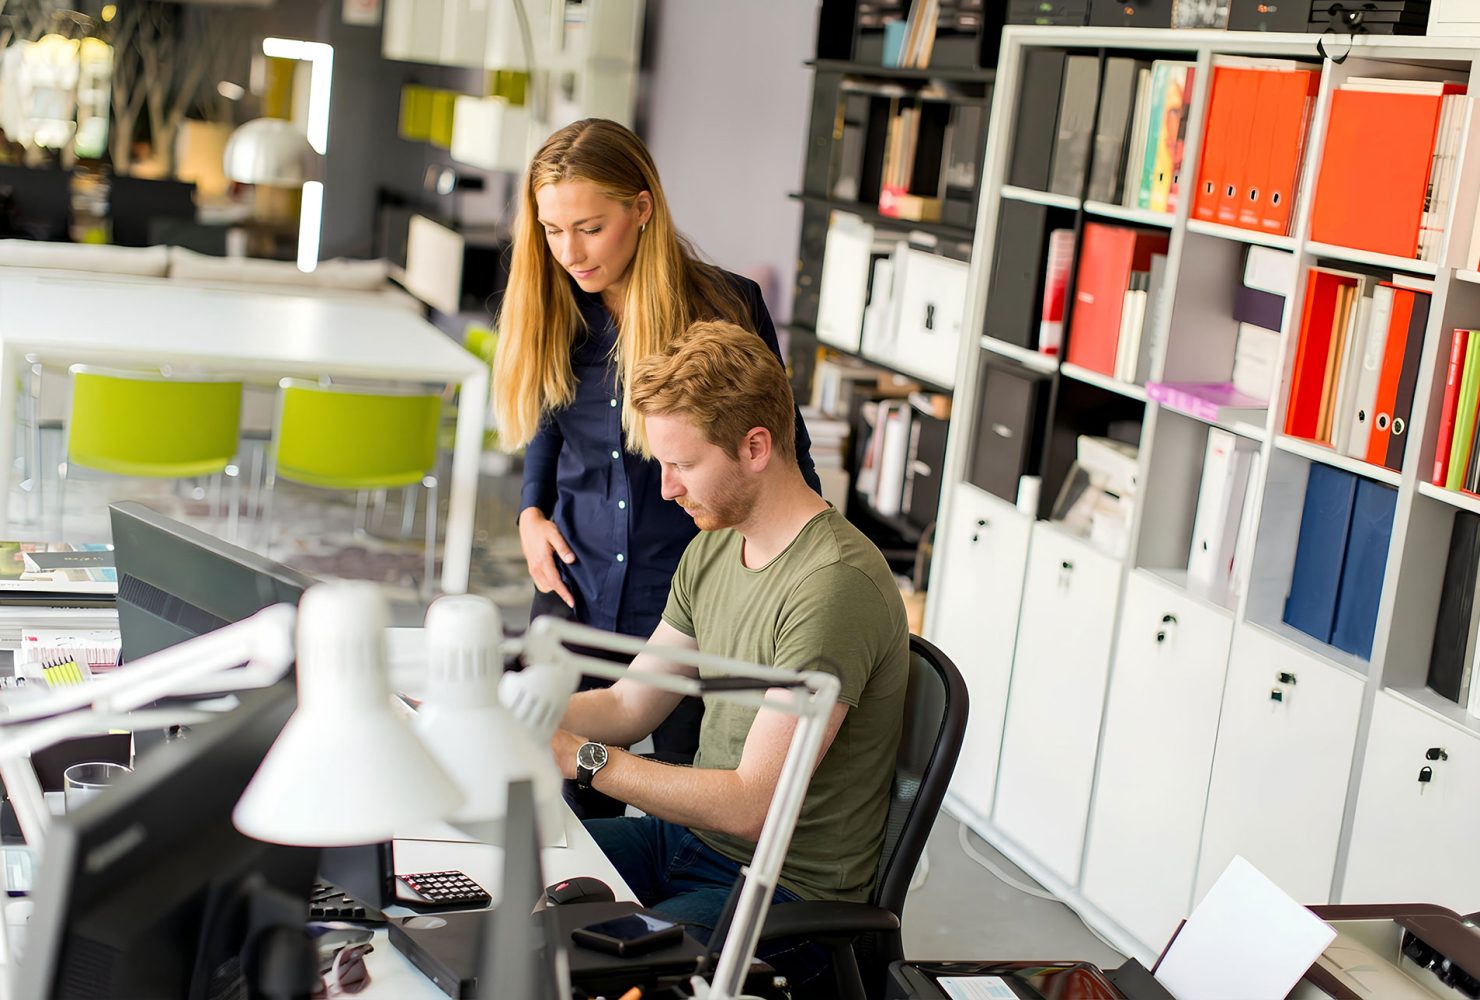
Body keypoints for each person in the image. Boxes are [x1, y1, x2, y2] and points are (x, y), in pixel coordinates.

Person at [550, 320, 909, 990]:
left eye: (683, 465)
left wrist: (581, 758)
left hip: (783, 888)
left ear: (754, 448)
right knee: (515, 882)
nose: (667, 488)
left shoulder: (834, 586)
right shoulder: (714, 544)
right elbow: (630, 705)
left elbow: (753, 805)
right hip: (691, 844)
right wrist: (523, 708)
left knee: (590, 969)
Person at [493, 119, 819, 811]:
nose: (569, 252)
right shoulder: (555, 304)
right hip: (573, 580)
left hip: (686, 594)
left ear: (641, 208)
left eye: (589, 227)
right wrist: (529, 512)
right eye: (552, 231)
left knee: (692, 796)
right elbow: (551, 417)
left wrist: (803, 576)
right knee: (561, 795)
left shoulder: (725, 307)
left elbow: (782, 450)